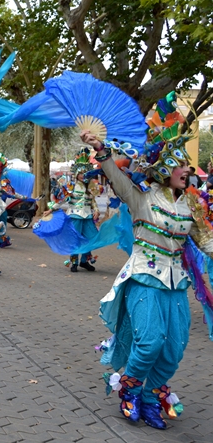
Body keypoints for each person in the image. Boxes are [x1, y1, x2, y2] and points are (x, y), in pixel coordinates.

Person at [82, 125, 213, 430]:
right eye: (181, 164)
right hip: (144, 278)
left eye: (187, 166)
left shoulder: (191, 204)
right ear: (166, 168)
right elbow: (115, 176)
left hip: (177, 283)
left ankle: (152, 398)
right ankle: (131, 389)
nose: (187, 170)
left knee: (174, 348)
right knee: (151, 341)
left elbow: (206, 242)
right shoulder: (141, 197)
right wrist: (101, 151)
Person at [44, 149, 100, 272]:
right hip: (75, 216)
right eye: (81, 172)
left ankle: (85, 261)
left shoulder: (90, 186)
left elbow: (92, 200)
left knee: (90, 238)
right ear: (76, 173)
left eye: (85, 172)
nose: (83, 175)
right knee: (75, 239)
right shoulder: (71, 186)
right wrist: (51, 210)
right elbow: (62, 200)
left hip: (88, 217)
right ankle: (74, 262)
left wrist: (96, 209)